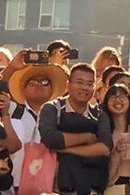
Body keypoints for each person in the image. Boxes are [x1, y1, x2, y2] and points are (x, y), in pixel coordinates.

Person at [38, 62, 113, 195]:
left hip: (91, 185)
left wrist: (65, 149)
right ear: (68, 84)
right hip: (55, 186)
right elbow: (51, 139)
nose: (85, 88)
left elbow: (105, 148)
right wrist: (87, 138)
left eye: (90, 84)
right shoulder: (53, 108)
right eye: (79, 82)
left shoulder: (99, 115)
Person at [7, 63, 67, 195]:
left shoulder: (62, 117)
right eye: (33, 82)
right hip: (13, 185)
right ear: (23, 89)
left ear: (52, 89)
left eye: (45, 82)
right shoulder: (11, 111)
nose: (39, 85)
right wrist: (12, 66)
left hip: (51, 188)